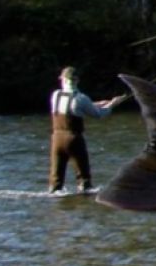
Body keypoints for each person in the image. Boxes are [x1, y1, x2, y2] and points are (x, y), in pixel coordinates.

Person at [48, 66, 123, 194]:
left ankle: (55, 197)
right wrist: (113, 104)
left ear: (63, 80)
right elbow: (99, 114)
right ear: (77, 81)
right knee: (84, 181)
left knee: (56, 182)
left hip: (56, 140)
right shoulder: (81, 98)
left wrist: (96, 103)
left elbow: (70, 108)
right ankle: (83, 200)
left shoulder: (55, 95)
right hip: (73, 139)